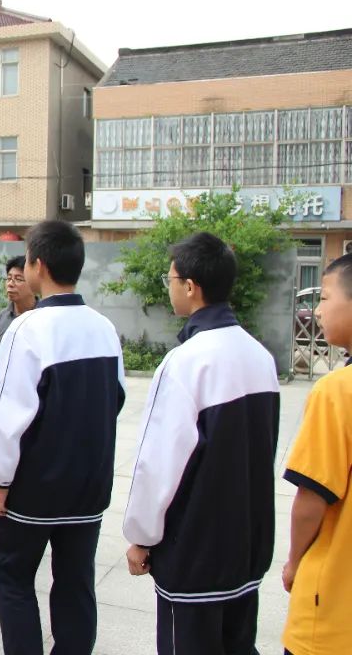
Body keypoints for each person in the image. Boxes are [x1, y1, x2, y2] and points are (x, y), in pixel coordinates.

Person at [122, 232, 280, 655]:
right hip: (247, 549)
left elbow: (157, 466)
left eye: (169, 279)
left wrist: (141, 536)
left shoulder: (186, 362)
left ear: (190, 287)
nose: (169, 287)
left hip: (195, 555)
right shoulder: (260, 356)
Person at [0, 220, 124, 655]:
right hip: (89, 486)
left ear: (38, 266)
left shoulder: (26, 330)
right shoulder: (104, 327)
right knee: (76, 583)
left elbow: (8, 417)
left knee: (12, 578)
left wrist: (0, 479)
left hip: (35, 488)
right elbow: (114, 399)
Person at [282, 253, 352, 655]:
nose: (318, 310)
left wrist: (295, 563)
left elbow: (311, 501)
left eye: (325, 298)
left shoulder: (337, 392)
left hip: (334, 615)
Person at [0, 256, 37, 431]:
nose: (11, 284)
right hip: (5, 404)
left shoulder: (44, 317)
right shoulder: (2, 318)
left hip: (34, 404)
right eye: (9, 278)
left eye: (19, 279)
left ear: (33, 283)